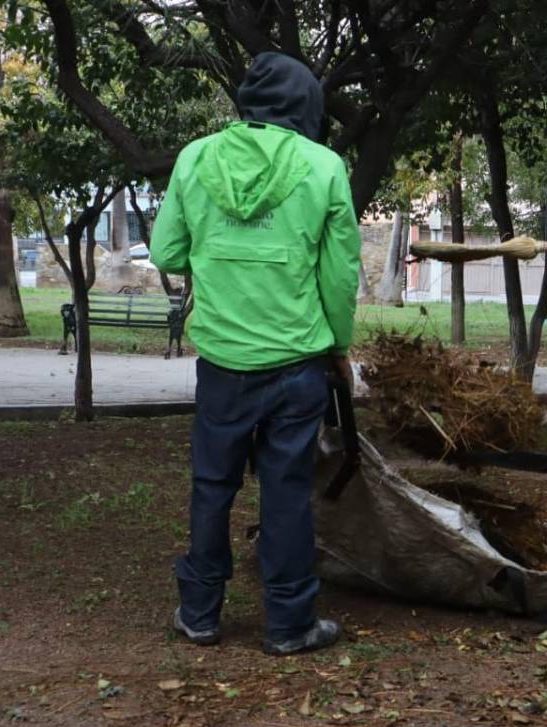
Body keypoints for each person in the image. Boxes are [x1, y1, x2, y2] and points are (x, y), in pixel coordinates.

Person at [150, 52, 362, 655]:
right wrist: (338, 347)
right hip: (298, 363)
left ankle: (199, 614)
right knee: (287, 492)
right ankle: (290, 625)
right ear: (305, 106)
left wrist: (220, 251)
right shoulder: (324, 166)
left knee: (212, 486)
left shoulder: (196, 158)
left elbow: (166, 253)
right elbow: (339, 276)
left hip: (222, 363)